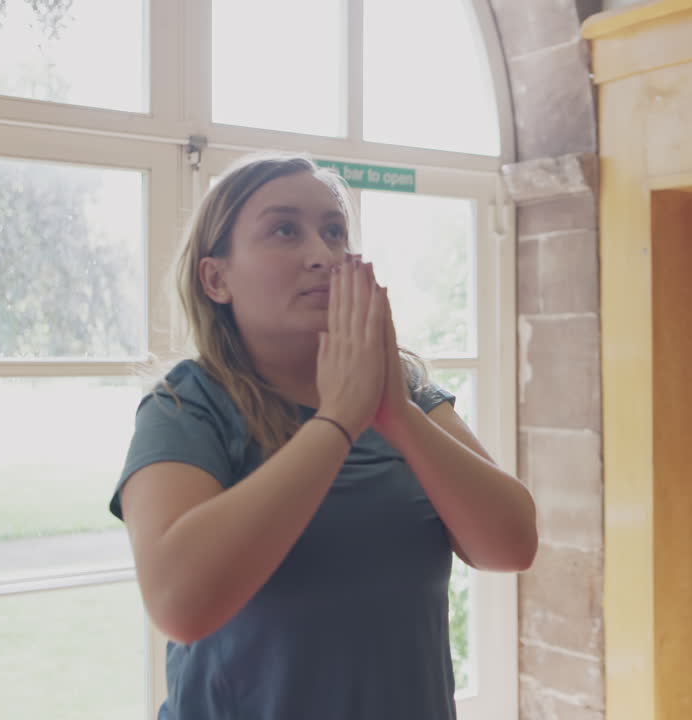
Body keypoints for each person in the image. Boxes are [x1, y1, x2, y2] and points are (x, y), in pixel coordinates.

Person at [109, 153, 538, 719]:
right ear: (216, 278)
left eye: (334, 232)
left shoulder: (401, 388)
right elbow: (179, 604)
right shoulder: (187, 404)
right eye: (284, 230)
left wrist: (396, 414)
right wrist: (337, 421)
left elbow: (512, 545)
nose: (323, 255)